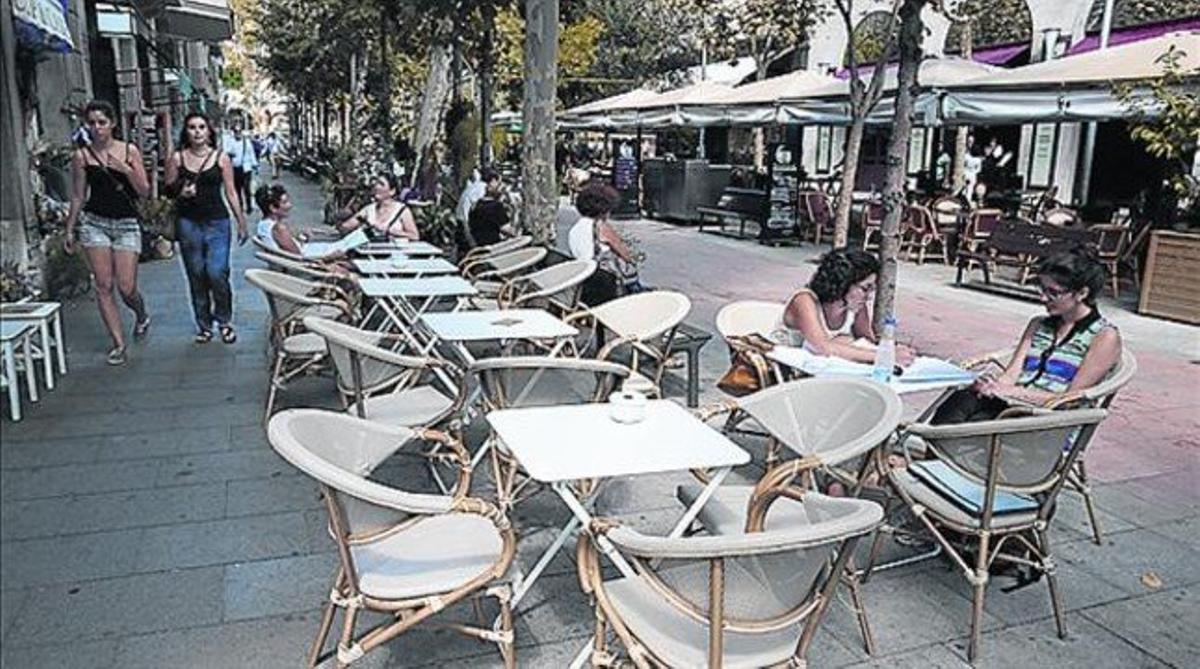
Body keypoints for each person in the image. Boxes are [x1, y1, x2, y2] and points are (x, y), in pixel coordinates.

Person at [933, 248, 1121, 424]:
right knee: (962, 398)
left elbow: (1071, 399)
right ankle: (932, 451)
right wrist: (991, 385)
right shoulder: (1038, 324)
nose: (1043, 298)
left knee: (965, 425)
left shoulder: (1104, 336)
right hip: (1009, 406)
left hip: (1047, 421)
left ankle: (934, 453)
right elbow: (1012, 374)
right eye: (1042, 289)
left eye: (1053, 292)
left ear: (1082, 293)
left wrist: (1011, 392)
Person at [63, 99, 152, 366]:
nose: (97, 128)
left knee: (127, 286)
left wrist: (125, 169)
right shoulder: (82, 156)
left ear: (112, 123)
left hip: (126, 224)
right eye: (91, 123)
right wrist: (71, 228)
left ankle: (141, 313)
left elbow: (145, 191)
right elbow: (78, 195)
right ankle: (118, 343)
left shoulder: (129, 151)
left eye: (102, 122)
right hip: (95, 223)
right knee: (103, 285)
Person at [165, 111, 249, 345]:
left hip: (217, 222)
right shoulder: (178, 159)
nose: (197, 132)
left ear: (209, 131)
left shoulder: (221, 158)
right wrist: (181, 191)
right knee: (196, 275)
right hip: (188, 223)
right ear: (186, 132)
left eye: (201, 127)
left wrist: (241, 221)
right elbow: (167, 189)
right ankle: (204, 325)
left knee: (217, 272)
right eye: (192, 127)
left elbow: (231, 191)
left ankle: (224, 320)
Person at [779, 248, 915, 365]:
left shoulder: (857, 306)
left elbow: (866, 341)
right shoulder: (804, 301)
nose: (868, 296)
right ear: (844, 283)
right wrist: (885, 357)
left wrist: (892, 349)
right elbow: (822, 348)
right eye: (865, 288)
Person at [568, 183, 645, 300]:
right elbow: (626, 255)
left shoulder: (575, 228)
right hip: (603, 283)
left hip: (583, 280)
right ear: (604, 209)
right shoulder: (601, 227)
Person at [338, 173, 419, 241]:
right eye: (375, 183)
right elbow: (344, 227)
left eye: (381, 184)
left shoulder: (402, 210)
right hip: (368, 255)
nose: (376, 187)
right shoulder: (368, 210)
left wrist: (393, 232)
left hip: (396, 257)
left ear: (392, 191)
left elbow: (415, 236)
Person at [222, 117, 258, 213]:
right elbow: (226, 152)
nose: (237, 133)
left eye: (239, 131)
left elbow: (251, 153)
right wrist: (230, 154)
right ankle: (240, 206)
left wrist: (254, 164)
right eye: (236, 132)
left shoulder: (247, 142)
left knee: (246, 188)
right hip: (235, 168)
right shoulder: (230, 142)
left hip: (246, 168)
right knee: (237, 189)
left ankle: (249, 206)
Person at [467, 169, 510, 247]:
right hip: (495, 247)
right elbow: (508, 230)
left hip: (479, 245)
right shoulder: (496, 206)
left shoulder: (476, 205)